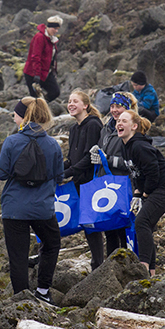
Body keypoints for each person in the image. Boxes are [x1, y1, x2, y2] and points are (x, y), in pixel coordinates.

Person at [0, 96, 64, 305]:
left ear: (24, 117)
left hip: (14, 208)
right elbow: (59, 177)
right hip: (43, 208)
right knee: (51, 243)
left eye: (15, 114)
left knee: (18, 255)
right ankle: (43, 290)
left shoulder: (11, 141)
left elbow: (1, 174)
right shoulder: (53, 145)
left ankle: (21, 300)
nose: (13, 118)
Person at [117, 110, 165, 276]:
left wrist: (145, 194)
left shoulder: (140, 146)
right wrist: (138, 191)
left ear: (134, 126)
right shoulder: (124, 146)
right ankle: (151, 271)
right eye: (118, 121)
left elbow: (153, 173)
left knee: (141, 222)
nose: (119, 123)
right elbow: (136, 173)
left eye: (124, 121)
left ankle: (143, 267)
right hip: (153, 188)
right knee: (146, 226)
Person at [90, 91, 139, 257]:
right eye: (112, 106)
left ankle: (129, 263)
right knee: (109, 229)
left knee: (123, 228)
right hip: (106, 185)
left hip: (123, 186)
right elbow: (101, 149)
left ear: (126, 108)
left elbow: (131, 162)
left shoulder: (131, 128)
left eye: (118, 106)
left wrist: (107, 159)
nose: (114, 110)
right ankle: (112, 266)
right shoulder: (106, 128)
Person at [63, 90, 106, 270]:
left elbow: (89, 157)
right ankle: (97, 262)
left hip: (91, 183)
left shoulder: (93, 125)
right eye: (69, 101)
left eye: (75, 101)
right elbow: (72, 158)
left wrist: (69, 172)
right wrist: (58, 169)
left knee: (92, 225)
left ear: (85, 106)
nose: (71, 104)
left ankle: (98, 263)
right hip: (78, 183)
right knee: (86, 224)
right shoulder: (74, 128)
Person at [23, 15, 62, 102]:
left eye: (57, 29)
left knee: (55, 92)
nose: (56, 31)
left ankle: (43, 105)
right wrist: (36, 74)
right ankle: (35, 111)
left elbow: (51, 57)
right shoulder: (40, 37)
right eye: (54, 28)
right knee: (35, 99)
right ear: (49, 27)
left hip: (46, 72)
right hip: (33, 73)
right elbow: (36, 56)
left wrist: (53, 70)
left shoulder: (51, 39)